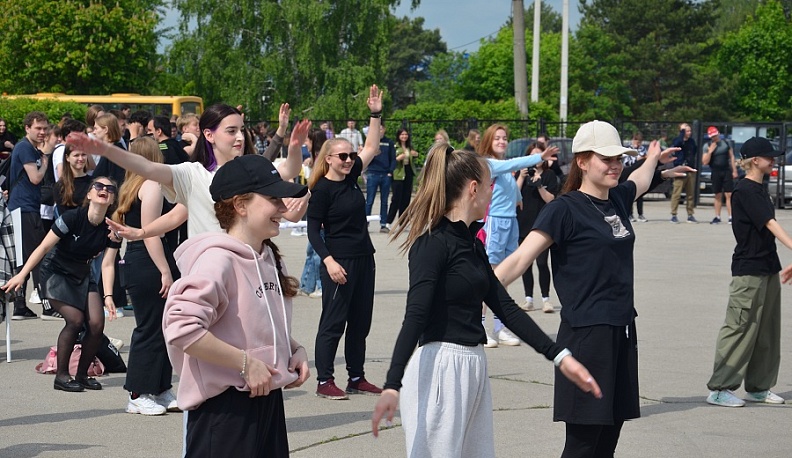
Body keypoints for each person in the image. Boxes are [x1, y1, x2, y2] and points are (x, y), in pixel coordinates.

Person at [370, 143, 601, 457]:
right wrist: (391, 384)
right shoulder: (431, 245)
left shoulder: (472, 244)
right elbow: (415, 316)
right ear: (473, 188)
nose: (493, 192)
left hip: (473, 365)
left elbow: (505, 307)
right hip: (441, 368)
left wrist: (560, 357)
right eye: (491, 185)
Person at [494, 120, 690, 457]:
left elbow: (639, 181)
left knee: (608, 440)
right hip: (586, 337)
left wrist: (653, 159)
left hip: (622, 330)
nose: (615, 165)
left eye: (619, 159)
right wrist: (475, 293)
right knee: (584, 444)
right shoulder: (563, 209)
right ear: (582, 161)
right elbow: (520, 259)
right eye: (606, 158)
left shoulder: (616, 198)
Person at [163, 154, 310, 457]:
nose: (283, 209)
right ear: (240, 205)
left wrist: (292, 349)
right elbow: (181, 329)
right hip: (225, 408)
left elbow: (257, 322)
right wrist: (246, 363)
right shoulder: (217, 260)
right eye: (273, 199)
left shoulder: (268, 257)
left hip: (266, 398)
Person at [66, 103, 307, 239]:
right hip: (209, 270)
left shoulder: (253, 169)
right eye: (231, 131)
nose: (240, 137)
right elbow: (148, 168)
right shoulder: (193, 174)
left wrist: (294, 147)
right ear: (209, 135)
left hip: (249, 265)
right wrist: (106, 149)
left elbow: (289, 168)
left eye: (241, 130)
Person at [2, 176, 121, 391]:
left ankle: (82, 375)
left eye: (110, 188)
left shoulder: (112, 228)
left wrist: (109, 296)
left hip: (83, 273)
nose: (104, 190)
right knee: (75, 320)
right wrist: (22, 275)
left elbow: (108, 265)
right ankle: (62, 376)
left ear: (112, 198)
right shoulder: (72, 218)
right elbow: (43, 247)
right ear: (89, 194)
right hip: (56, 271)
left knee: (96, 324)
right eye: (99, 186)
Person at [307, 84, 384, 400]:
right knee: (333, 323)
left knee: (360, 323)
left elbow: (372, 145)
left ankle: (356, 376)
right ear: (328, 159)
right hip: (338, 262)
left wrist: (375, 114)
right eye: (343, 156)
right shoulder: (322, 190)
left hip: (365, 258)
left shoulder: (352, 178)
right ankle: (325, 380)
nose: (350, 159)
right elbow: (313, 231)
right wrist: (328, 261)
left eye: (351, 155)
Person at [705, 137, 792, 408]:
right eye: (769, 156)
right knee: (740, 327)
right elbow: (769, 223)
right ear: (755, 160)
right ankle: (720, 388)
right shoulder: (745, 189)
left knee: (767, 330)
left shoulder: (759, 188)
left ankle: (758, 387)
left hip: (768, 267)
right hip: (748, 270)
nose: (774, 159)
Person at [103, 137, 182, 415]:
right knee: (150, 328)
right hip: (148, 258)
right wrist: (164, 270)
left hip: (139, 258)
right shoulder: (150, 185)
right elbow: (151, 233)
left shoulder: (131, 185)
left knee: (164, 328)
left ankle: (159, 387)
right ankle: (138, 392)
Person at [477, 124, 556, 347]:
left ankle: (500, 328)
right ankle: (480, 326)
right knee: (490, 276)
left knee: (505, 277)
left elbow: (509, 187)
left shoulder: (503, 169)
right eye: (497, 138)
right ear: (489, 141)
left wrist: (517, 198)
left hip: (510, 222)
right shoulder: (489, 163)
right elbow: (513, 165)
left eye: (504, 138)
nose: (502, 141)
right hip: (494, 223)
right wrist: (538, 156)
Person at [8, 111, 51, 320]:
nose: (42, 132)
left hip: (23, 208)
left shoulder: (29, 148)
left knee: (24, 258)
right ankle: (46, 304)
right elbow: (35, 178)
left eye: (45, 128)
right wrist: (44, 163)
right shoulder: (25, 148)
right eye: (38, 128)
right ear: (27, 128)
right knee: (38, 256)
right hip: (24, 209)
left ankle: (20, 306)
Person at [516, 142, 559, 313]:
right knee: (525, 264)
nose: (536, 159)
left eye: (539, 154)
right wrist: (520, 177)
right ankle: (528, 299)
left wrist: (540, 185)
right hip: (523, 224)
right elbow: (514, 196)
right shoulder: (522, 175)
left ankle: (546, 299)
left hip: (542, 225)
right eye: (533, 155)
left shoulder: (549, 175)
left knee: (542, 262)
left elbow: (551, 199)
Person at [702, 126, 738, 225]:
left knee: (729, 194)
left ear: (718, 134)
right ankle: (717, 216)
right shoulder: (707, 145)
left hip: (726, 170)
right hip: (715, 171)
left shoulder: (726, 143)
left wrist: (734, 170)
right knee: (717, 194)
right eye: (712, 137)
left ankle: (731, 217)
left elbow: (731, 157)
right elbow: (704, 162)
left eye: (715, 135)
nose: (714, 138)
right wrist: (710, 151)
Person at [365, 122, 396, 233]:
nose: (379, 131)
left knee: (384, 201)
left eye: (381, 129)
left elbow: (393, 159)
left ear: (384, 130)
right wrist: (373, 153)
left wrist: (390, 172)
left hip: (385, 175)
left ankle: (383, 224)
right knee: (369, 200)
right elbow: (366, 159)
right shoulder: (371, 143)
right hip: (373, 174)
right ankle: (365, 223)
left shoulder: (389, 143)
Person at [386, 128, 420, 228]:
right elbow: (390, 160)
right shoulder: (394, 146)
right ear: (398, 136)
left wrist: (416, 154)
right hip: (398, 174)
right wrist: (397, 159)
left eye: (405, 134)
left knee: (406, 198)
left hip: (408, 172)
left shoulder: (409, 147)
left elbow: (414, 155)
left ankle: (403, 222)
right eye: (402, 134)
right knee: (396, 198)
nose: (404, 136)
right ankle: (388, 221)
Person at [670, 122, 698, 223]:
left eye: (690, 130)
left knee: (690, 193)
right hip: (680, 168)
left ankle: (690, 214)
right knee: (677, 193)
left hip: (690, 168)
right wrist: (681, 133)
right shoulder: (678, 140)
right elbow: (677, 144)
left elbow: (694, 151)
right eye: (686, 131)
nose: (689, 132)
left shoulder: (692, 142)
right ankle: (674, 214)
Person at [624, 132, 648, 222]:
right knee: (630, 194)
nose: (638, 144)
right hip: (629, 173)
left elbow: (646, 160)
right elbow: (626, 162)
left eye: (640, 142)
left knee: (640, 195)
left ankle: (640, 214)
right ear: (633, 140)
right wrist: (638, 159)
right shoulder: (628, 149)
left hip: (640, 173)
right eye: (637, 142)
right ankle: (630, 214)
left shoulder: (643, 149)